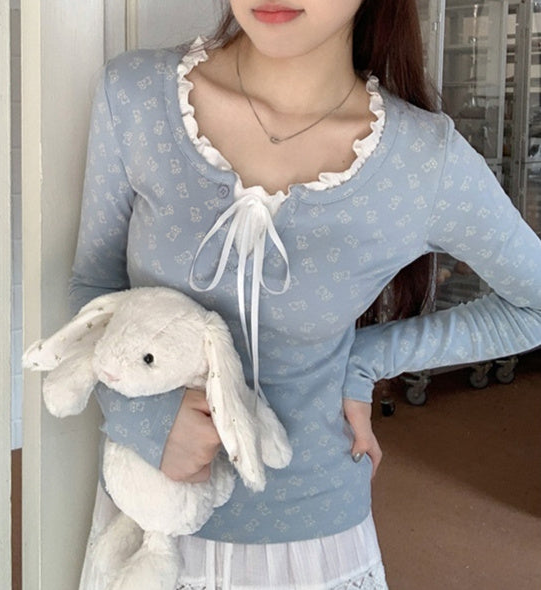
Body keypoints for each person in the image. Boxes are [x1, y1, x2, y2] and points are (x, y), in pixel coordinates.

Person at [70, 1, 541, 588]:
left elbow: (533, 304)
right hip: (148, 525)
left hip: (312, 540)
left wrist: (366, 360)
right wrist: (143, 417)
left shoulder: (424, 160)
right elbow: (94, 290)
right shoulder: (135, 95)